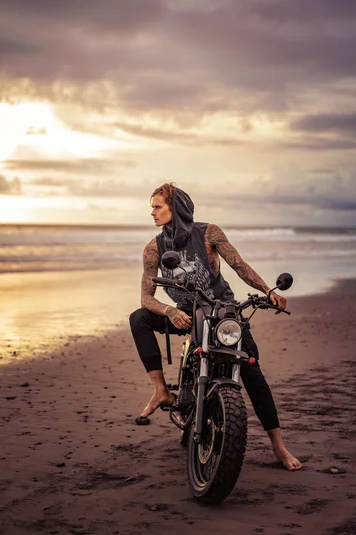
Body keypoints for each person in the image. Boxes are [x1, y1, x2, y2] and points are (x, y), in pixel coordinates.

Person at [129, 183, 302, 471]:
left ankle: (278, 446)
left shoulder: (209, 233)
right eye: (153, 207)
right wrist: (170, 311)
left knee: (252, 371)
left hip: (221, 310)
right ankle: (161, 390)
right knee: (138, 318)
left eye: (158, 206)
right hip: (184, 313)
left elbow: (240, 266)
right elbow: (146, 297)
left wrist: (268, 291)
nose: (152, 212)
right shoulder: (154, 247)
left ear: (177, 208)